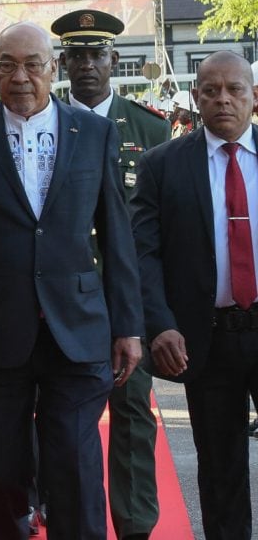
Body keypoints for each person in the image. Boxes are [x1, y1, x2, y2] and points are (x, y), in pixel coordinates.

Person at [0, 22, 143, 540]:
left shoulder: (93, 133)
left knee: (73, 463)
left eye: (32, 64)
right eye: (6, 64)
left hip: (78, 329)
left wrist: (129, 324)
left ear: (54, 68)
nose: (19, 76)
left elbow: (117, 236)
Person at [51, 9, 171, 540]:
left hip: (127, 301)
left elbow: (160, 226)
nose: (87, 66)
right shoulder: (43, 124)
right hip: (60, 300)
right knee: (56, 414)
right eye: (76, 56)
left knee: (132, 416)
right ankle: (59, 507)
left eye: (96, 55)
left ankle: (136, 520)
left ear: (114, 60)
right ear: (63, 63)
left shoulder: (150, 128)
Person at [130, 50, 258, 540]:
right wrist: (160, 323)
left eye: (234, 90)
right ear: (195, 97)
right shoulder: (163, 166)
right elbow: (145, 254)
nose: (223, 99)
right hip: (208, 340)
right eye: (211, 91)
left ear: (251, 96)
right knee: (221, 470)